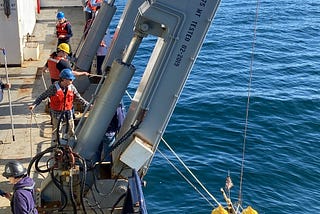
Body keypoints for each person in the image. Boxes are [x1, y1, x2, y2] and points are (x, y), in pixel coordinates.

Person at [29, 69, 91, 142]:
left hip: (68, 111)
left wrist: (88, 105)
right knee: (57, 129)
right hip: (57, 113)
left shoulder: (71, 87)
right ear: (64, 79)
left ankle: (72, 141)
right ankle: (58, 143)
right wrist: (34, 105)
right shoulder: (54, 88)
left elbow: (79, 98)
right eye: (70, 79)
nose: (72, 81)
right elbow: (43, 96)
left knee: (71, 127)